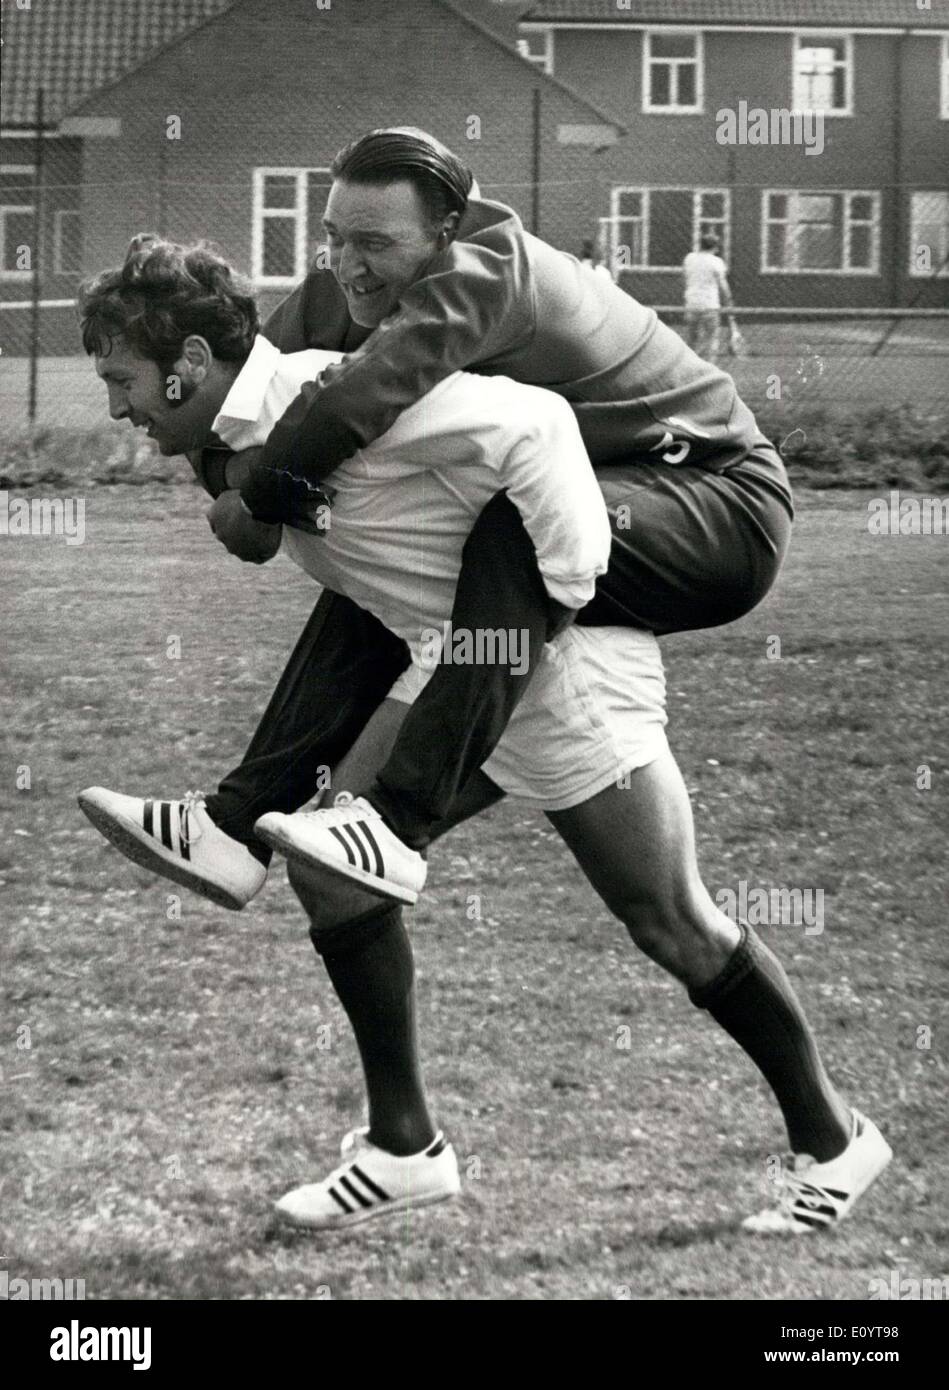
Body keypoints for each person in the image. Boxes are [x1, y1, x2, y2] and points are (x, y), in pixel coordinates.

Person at [77, 237, 890, 1238]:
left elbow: (537, 421)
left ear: (189, 366)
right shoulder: (248, 438)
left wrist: (565, 584)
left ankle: (836, 1136)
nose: (114, 405)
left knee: (671, 921)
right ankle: (403, 1147)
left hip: (560, 675)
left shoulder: (334, 393)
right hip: (450, 676)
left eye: (120, 379)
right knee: (331, 868)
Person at [210, 127, 792, 901]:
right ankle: (232, 825)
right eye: (332, 237)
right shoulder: (352, 276)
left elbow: (357, 397)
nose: (347, 263)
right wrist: (223, 474)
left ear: (445, 231)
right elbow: (238, 390)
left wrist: (257, 500)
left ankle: (394, 821)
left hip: (722, 503)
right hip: (603, 497)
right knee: (370, 577)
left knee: (513, 526)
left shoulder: (486, 268)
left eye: (373, 243)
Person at [682, 232, 733, 363]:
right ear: (715, 247)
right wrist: (728, 299)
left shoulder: (689, 258)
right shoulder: (717, 262)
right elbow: (723, 285)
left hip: (692, 304)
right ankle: (710, 367)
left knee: (692, 339)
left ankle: (690, 365)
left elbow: (685, 278)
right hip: (710, 305)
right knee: (712, 338)